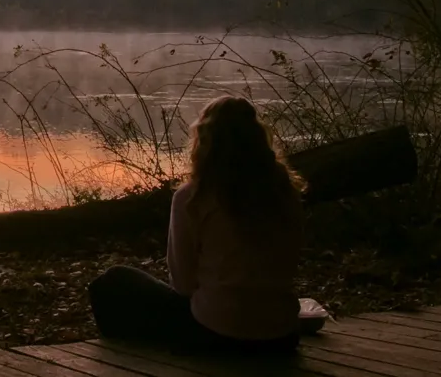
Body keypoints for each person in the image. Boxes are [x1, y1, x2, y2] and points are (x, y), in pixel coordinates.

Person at [87, 95, 305, 355]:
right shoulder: (285, 193)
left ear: (205, 141)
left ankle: (127, 358)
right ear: (259, 138)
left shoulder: (193, 196)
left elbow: (183, 285)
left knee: (112, 281)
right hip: (281, 336)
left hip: (216, 334)